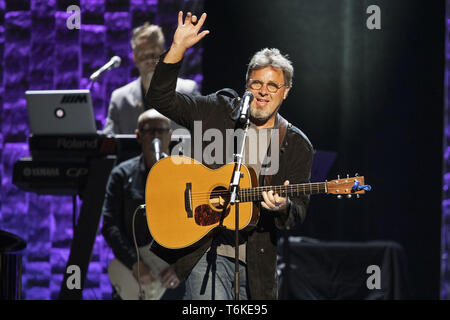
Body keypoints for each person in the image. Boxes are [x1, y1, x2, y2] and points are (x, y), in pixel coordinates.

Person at [146, 11, 314, 300]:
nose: (263, 92)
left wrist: (283, 205)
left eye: (273, 86)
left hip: (256, 262)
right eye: (256, 84)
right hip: (204, 250)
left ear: (285, 92)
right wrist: (177, 49)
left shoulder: (297, 144)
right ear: (246, 84)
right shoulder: (217, 110)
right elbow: (160, 98)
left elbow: (296, 212)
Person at [101, 109, 183, 300]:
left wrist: (181, 267)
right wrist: (134, 262)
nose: (155, 136)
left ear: (170, 136)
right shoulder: (122, 175)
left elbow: (198, 228)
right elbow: (110, 224)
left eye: (161, 131)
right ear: (139, 136)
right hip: (134, 269)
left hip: (172, 274)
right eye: (149, 131)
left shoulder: (183, 175)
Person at [103, 22, 200, 135]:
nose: (149, 61)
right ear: (135, 60)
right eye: (143, 56)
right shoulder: (119, 99)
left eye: (154, 55)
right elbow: (108, 145)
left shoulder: (188, 92)